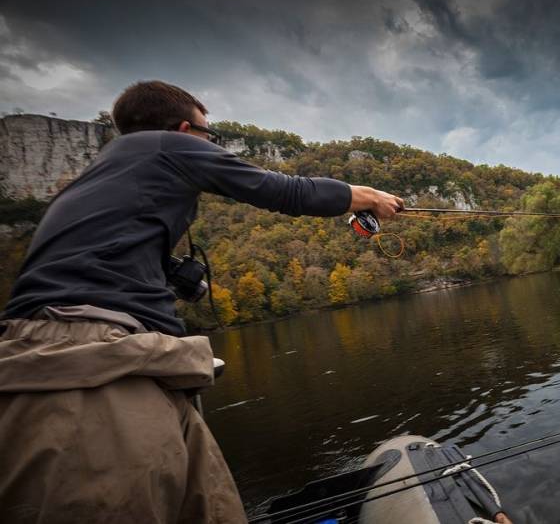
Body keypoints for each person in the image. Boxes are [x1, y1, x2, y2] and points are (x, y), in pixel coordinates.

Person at [0, 80, 404, 523]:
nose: (211, 145)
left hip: (108, 355)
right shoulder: (163, 146)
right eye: (208, 135)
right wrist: (367, 196)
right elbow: (285, 191)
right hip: (90, 365)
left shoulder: (105, 176)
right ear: (184, 128)